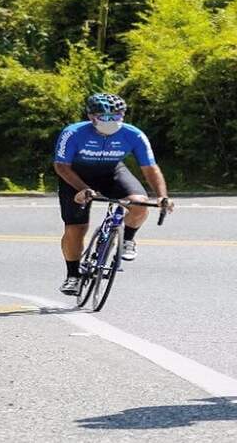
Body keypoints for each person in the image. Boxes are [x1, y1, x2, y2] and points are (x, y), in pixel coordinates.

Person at [53, 93, 173, 295]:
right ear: (91, 116)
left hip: (112, 173)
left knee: (139, 203)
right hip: (76, 177)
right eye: (105, 117)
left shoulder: (134, 134)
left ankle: (128, 239)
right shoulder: (72, 133)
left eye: (116, 116)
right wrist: (82, 188)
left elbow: (150, 168)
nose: (111, 121)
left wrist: (162, 196)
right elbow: (61, 166)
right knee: (76, 228)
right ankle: (73, 275)